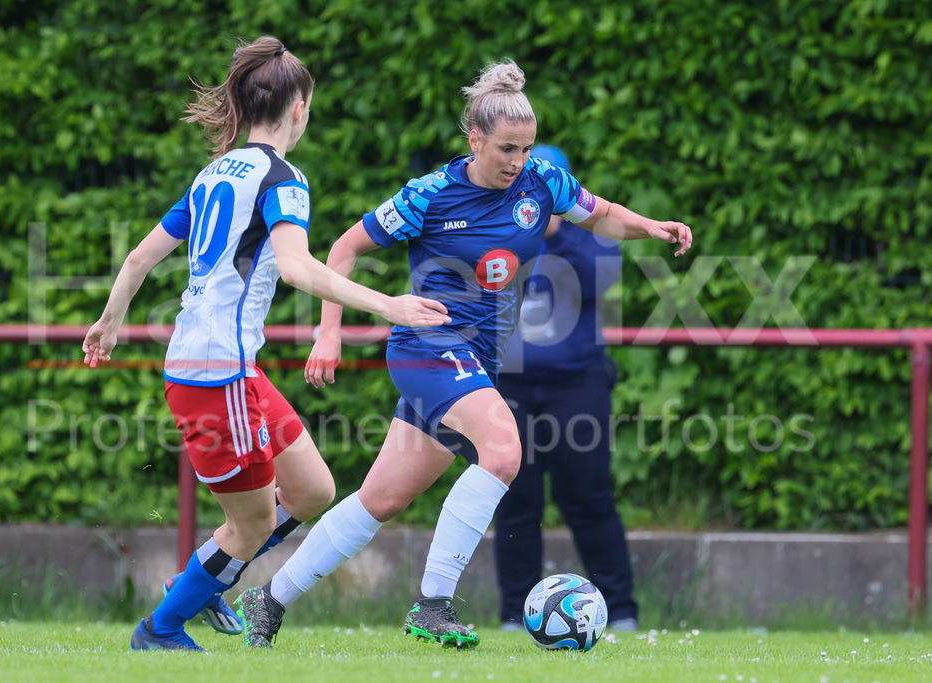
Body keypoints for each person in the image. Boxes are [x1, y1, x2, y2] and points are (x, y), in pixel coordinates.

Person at [236, 59, 691, 650]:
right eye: (506, 149)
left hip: (476, 360)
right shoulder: (429, 194)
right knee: (503, 450)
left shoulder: (543, 181)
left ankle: (268, 602)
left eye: (525, 149)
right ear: (474, 139)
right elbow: (344, 247)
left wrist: (650, 226)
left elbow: (600, 214)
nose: (517, 162)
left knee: (383, 498)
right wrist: (330, 332)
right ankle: (433, 605)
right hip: (428, 347)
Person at [81, 35, 450, 652]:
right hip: (215, 376)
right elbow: (300, 268)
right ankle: (161, 628)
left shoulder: (213, 173)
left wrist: (110, 320)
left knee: (312, 491)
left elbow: (141, 256)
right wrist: (390, 305)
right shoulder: (285, 179)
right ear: (298, 108)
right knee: (249, 525)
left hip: (229, 368)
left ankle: (198, 580)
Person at [494, 144, 639, 633]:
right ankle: (515, 613)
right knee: (515, 502)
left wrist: (556, 232)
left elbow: (600, 283)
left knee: (589, 499)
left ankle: (621, 611)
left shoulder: (592, 236)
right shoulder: (498, 232)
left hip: (578, 385)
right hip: (508, 389)